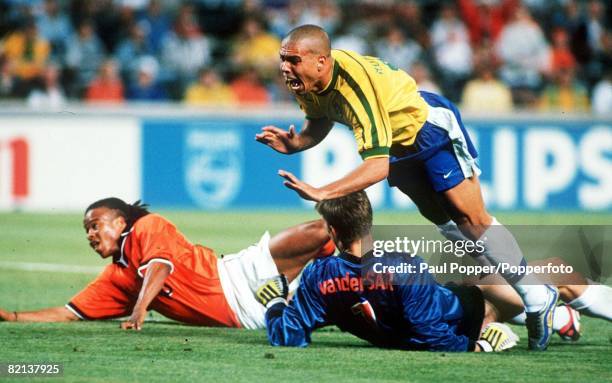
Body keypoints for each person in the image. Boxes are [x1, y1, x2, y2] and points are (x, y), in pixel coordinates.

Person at [255, 24, 558, 350]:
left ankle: (536, 296)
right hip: (398, 146)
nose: (285, 67)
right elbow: (320, 116)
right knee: (442, 220)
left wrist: (324, 191)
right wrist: (298, 142)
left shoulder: (355, 88)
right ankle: (506, 286)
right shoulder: (307, 79)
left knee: (471, 219)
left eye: (293, 60)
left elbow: (376, 166)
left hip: (428, 130)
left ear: (321, 62)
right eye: (283, 59)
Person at [256, 192, 612, 351]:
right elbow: (429, 333)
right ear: (369, 224)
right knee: (552, 272)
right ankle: (557, 311)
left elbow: (289, 335)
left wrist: (276, 305)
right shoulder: (402, 265)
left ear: (332, 232)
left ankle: (559, 317)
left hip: (427, 309)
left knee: (479, 277)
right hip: (469, 315)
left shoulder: (319, 276)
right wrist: (476, 347)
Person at [0, 198, 333, 330]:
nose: (89, 233)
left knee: (322, 230)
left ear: (119, 222)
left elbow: (159, 267)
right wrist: (12, 317)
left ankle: (377, 259)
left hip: (237, 274)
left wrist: (140, 309)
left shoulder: (147, 227)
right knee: (330, 264)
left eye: (95, 224)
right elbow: (70, 312)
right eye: (86, 228)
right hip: (248, 313)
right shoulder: (116, 277)